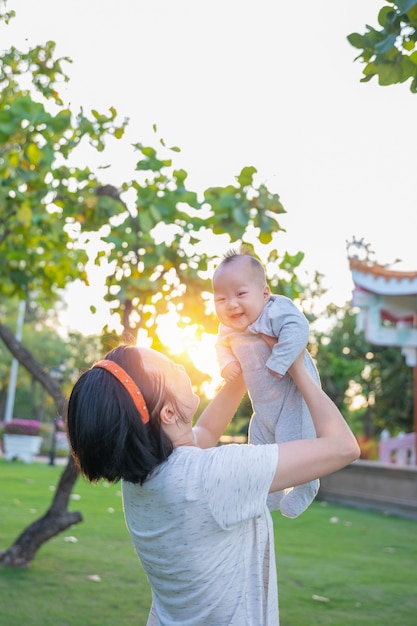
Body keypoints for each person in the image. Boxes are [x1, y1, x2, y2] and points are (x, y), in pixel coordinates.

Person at [66, 342, 359, 626]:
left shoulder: (143, 481)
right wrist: (294, 364)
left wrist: (246, 366)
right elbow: (343, 446)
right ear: (168, 414)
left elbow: (203, 431)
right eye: (169, 367)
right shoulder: (211, 477)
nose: (180, 365)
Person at [213, 248, 321, 518]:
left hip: (291, 400)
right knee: (259, 453)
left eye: (240, 294)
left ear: (264, 293)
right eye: (221, 298)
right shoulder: (228, 328)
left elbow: (298, 329)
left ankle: (307, 485)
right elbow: (220, 346)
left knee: (291, 447)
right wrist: (227, 364)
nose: (231, 304)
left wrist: (279, 361)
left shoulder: (274, 311)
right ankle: (269, 494)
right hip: (262, 408)